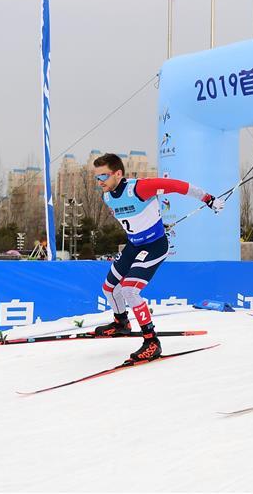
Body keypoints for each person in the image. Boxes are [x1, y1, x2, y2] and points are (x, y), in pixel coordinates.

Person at [92, 153, 224, 362]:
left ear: (118, 173)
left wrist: (208, 198)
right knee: (109, 288)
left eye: (103, 176)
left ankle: (151, 342)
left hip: (155, 246)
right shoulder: (107, 195)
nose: (99, 182)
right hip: (134, 245)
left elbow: (178, 186)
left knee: (129, 290)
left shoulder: (139, 188)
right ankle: (121, 323)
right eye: (96, 178)